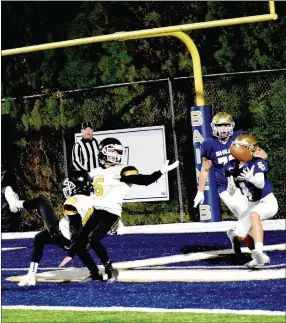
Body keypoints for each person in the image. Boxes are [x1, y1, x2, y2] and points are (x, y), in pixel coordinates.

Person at [59, 137, 180, 278]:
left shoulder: (121, 169)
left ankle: (110, 269)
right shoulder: (96, 171)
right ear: (104, 151)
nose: (117, 153)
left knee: (94, 239)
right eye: (114, 150)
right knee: (81, 240)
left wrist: (160, 172)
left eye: (118, 151)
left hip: (110, 211)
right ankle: (95, 274)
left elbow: (144, 181)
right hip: (95, 210)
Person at [4, 171, 104, 286]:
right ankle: (95, 273)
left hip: (61, 235)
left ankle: (16, 204)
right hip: (79, 243)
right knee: (42, 237)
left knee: (41, 201)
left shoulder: (73, 201)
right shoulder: (95, 201)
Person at [193, 112, 267, 220]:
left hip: (245, 182)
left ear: (232, 126)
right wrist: (200, 192)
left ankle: (236, 234)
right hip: (226, 186)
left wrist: (246, 159)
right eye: (220, 125)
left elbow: (262, 155)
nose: (223, 128)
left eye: (226, 125)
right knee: (245, 213)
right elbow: (205, 169)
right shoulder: (208, 144)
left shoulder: (240, 138)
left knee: (254, 216)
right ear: (214, 127)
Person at [224, 134, 278, 268]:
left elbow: (260, 184)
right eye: (250, 148)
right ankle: (260, 258)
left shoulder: (257, 163)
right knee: (240, 233)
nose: (253, 150)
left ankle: (259, 250)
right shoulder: (230, 166)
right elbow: (231, 190)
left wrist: (251, 178)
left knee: (254, 215)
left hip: (267, 201)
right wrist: (230, 189)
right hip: (252, 203)